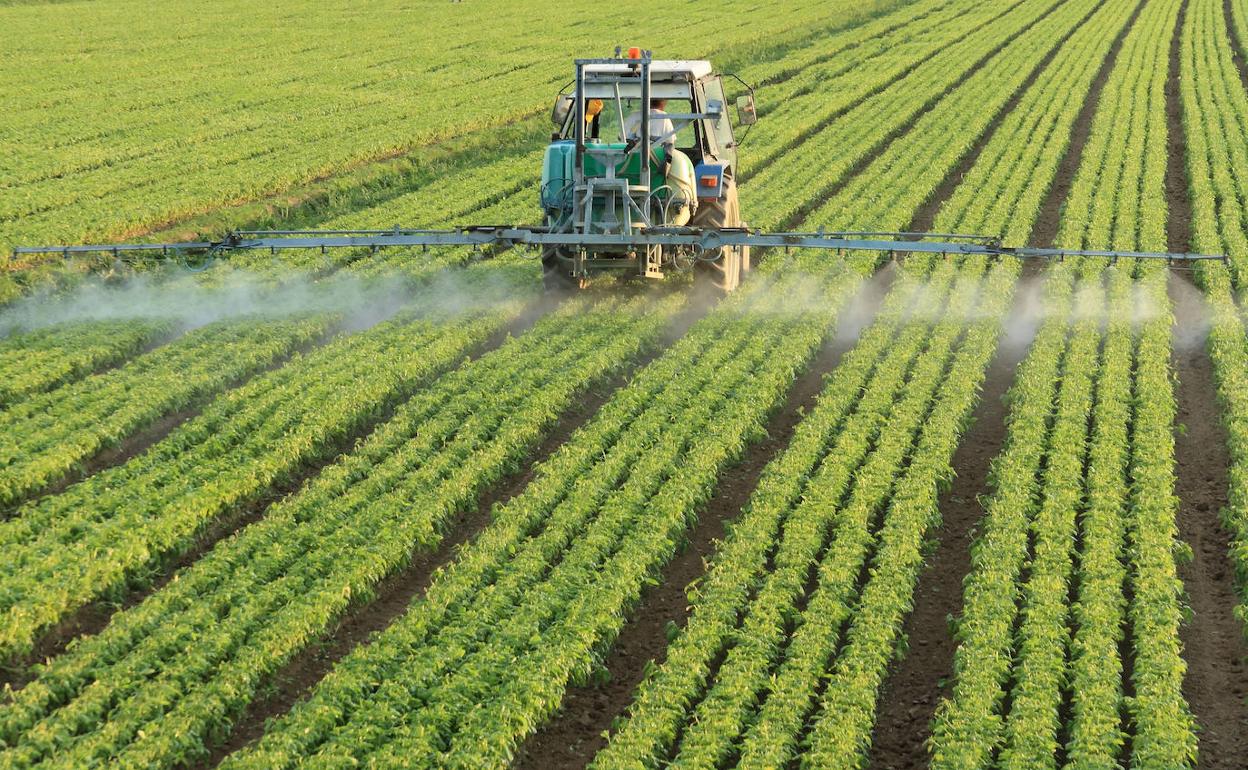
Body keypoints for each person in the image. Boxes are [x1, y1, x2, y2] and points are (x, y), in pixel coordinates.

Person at [623, 98, 676, 164]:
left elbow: (622, 137)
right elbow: (671, 140)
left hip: (633, 157)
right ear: (663, 103)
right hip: (657, 158)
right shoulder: (664, 117)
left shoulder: (634, 115)